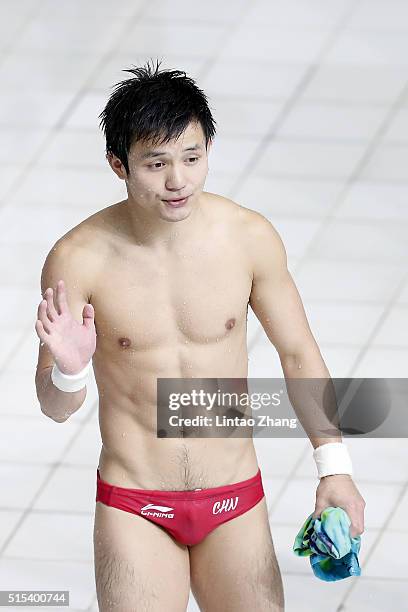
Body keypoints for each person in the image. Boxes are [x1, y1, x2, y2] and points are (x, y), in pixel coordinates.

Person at [34, 59, 365, 611]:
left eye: (193, 157)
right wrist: (68, 368)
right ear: (120, 165)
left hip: (236, 497)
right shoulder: (78, 259)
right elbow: (54, 406)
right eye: (155, 164)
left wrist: (334, 468)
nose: (178, 181)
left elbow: (298, 352)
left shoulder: (248, 238)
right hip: (136, 503)